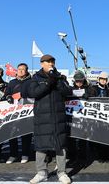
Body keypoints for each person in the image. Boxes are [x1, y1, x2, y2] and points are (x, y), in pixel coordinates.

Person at [28, 55, 72, 184]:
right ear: (42, 64)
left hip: (58, 117)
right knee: (41, 145)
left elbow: (67, 91)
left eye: (52, 61)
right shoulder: (35, 78)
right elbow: (33, 93)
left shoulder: (60, 77)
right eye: (48, 62)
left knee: (60, 145)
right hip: (42, 117)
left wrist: (56, 81)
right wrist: (48, 83)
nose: (51, 63)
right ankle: (41, 172)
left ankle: (62, 172)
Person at [5, 63, 33, 164]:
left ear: (27, 71)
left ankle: (25, 154)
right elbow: (7, 93)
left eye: (23, 69)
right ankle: (13, 154)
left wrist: (23, 95)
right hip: (13, 112)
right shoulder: (12, 82)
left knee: (26, 134)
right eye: (19, 69)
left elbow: (33, 93)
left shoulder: (31, 81)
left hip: (27, 111)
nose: (21, 71)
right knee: (12, 133)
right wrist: (8, 96)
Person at [86, 71, 109, 163]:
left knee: (107, 136)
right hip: (96, 116)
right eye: (101, 79)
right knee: (98, 137)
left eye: (105, 79)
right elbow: (89, 99)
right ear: (98, 79)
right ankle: (100, 156)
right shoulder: (93, 88)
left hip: (107, 116)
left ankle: (107, 156)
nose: (103, 81)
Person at [68, 70, 89, 166]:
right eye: (77, 81)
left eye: (81, 80)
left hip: (84, 118)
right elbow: (65, 98)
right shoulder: (70, 89)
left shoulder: (89, 89)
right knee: (71, 139)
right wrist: (70, 96)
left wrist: (88, 96)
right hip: (73, 117)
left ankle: (82, 158)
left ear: (84, 80)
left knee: (83, 139)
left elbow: (94, 98)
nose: (79, 82)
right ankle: (72, 157)